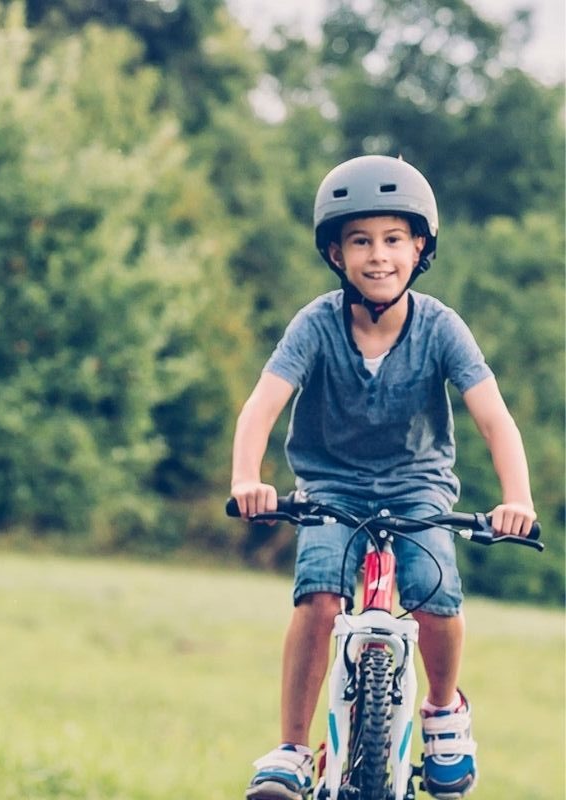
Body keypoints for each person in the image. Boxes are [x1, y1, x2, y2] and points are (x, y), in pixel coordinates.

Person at [229, 155, 537, 800]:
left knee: (434, 590)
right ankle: (291, 748)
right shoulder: (316, 324)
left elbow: (494, 419)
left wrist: (517, 499)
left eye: (394, 239)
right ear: (335, 253)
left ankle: (445, 711)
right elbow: (262, 404)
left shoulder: (441, 326)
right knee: (318, 594)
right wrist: (246, 479)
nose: (378, 256)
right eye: (360, 240)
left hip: (417, 485)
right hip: (331, 486)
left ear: (419, 247)